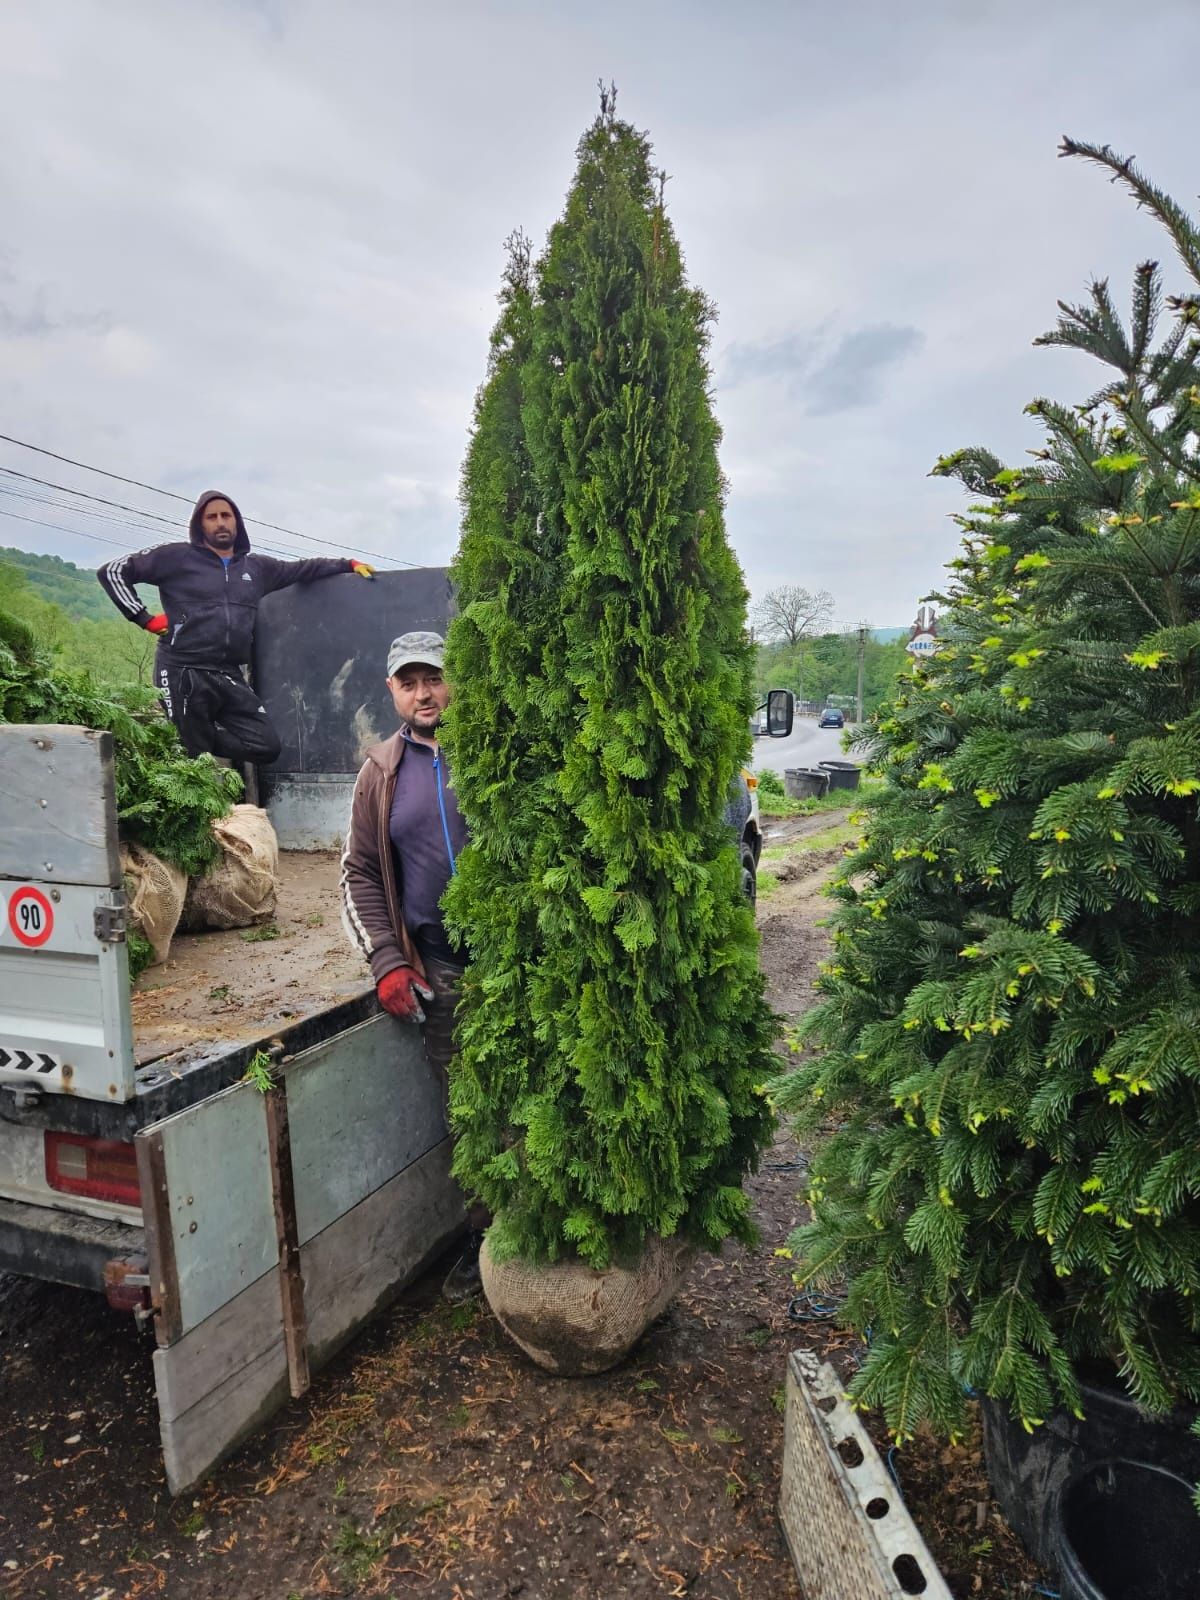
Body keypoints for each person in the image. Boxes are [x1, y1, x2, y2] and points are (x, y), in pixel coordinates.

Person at [339, 630, 483, 1301]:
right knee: (472, 1115)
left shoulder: (491, 751)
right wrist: (387, 960)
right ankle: (490, 1242)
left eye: (435, 677)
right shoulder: (381, 772)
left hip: (522, 965)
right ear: (392, 690)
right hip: (445, 972)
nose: (424, 693)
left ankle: (557, 1233)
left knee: (540, 1103)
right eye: (409, 681)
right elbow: (361, 872)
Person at [97, 489, 373, 765]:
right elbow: (112, 571)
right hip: (183, 668)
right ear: (200, 524)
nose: (220, 522)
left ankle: (197, 738)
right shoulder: (177, 557)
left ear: (237, 523)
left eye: (226, 516)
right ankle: (194, 743)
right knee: (191, 761)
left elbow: (303, 569)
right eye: (212, 517)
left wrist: (348, 563)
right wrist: (143, 618)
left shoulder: (256, 568)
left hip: (227, 672)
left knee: (265, 745)